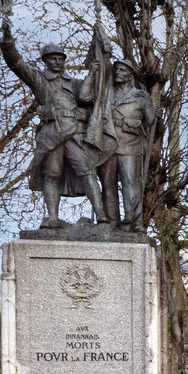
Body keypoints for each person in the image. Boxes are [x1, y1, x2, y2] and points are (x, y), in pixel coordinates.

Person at [0, 28, 109, 228]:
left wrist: (94, 72)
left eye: (60, 58)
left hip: (74, 133)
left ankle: (102, 216)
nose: (58, 62)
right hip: (51, 133)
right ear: (45, 60)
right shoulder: (38, 79)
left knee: (88, 171)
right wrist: (7, 40)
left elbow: (86, 97)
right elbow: (16, 63)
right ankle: (52, 218)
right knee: (53, 174)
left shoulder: (73, 82)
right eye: (53, 58)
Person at [98, 58, 155, 232]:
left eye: (122, 70)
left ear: (131, 75)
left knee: (131, 183)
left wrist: (156, 116)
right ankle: (111, 223)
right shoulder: (107, 93)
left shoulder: (141, 97)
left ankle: (134, 222)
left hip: (130, 145)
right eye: (116, 70)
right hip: (107, 144)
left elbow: (152, 123)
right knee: (107, 184)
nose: (117, 73)